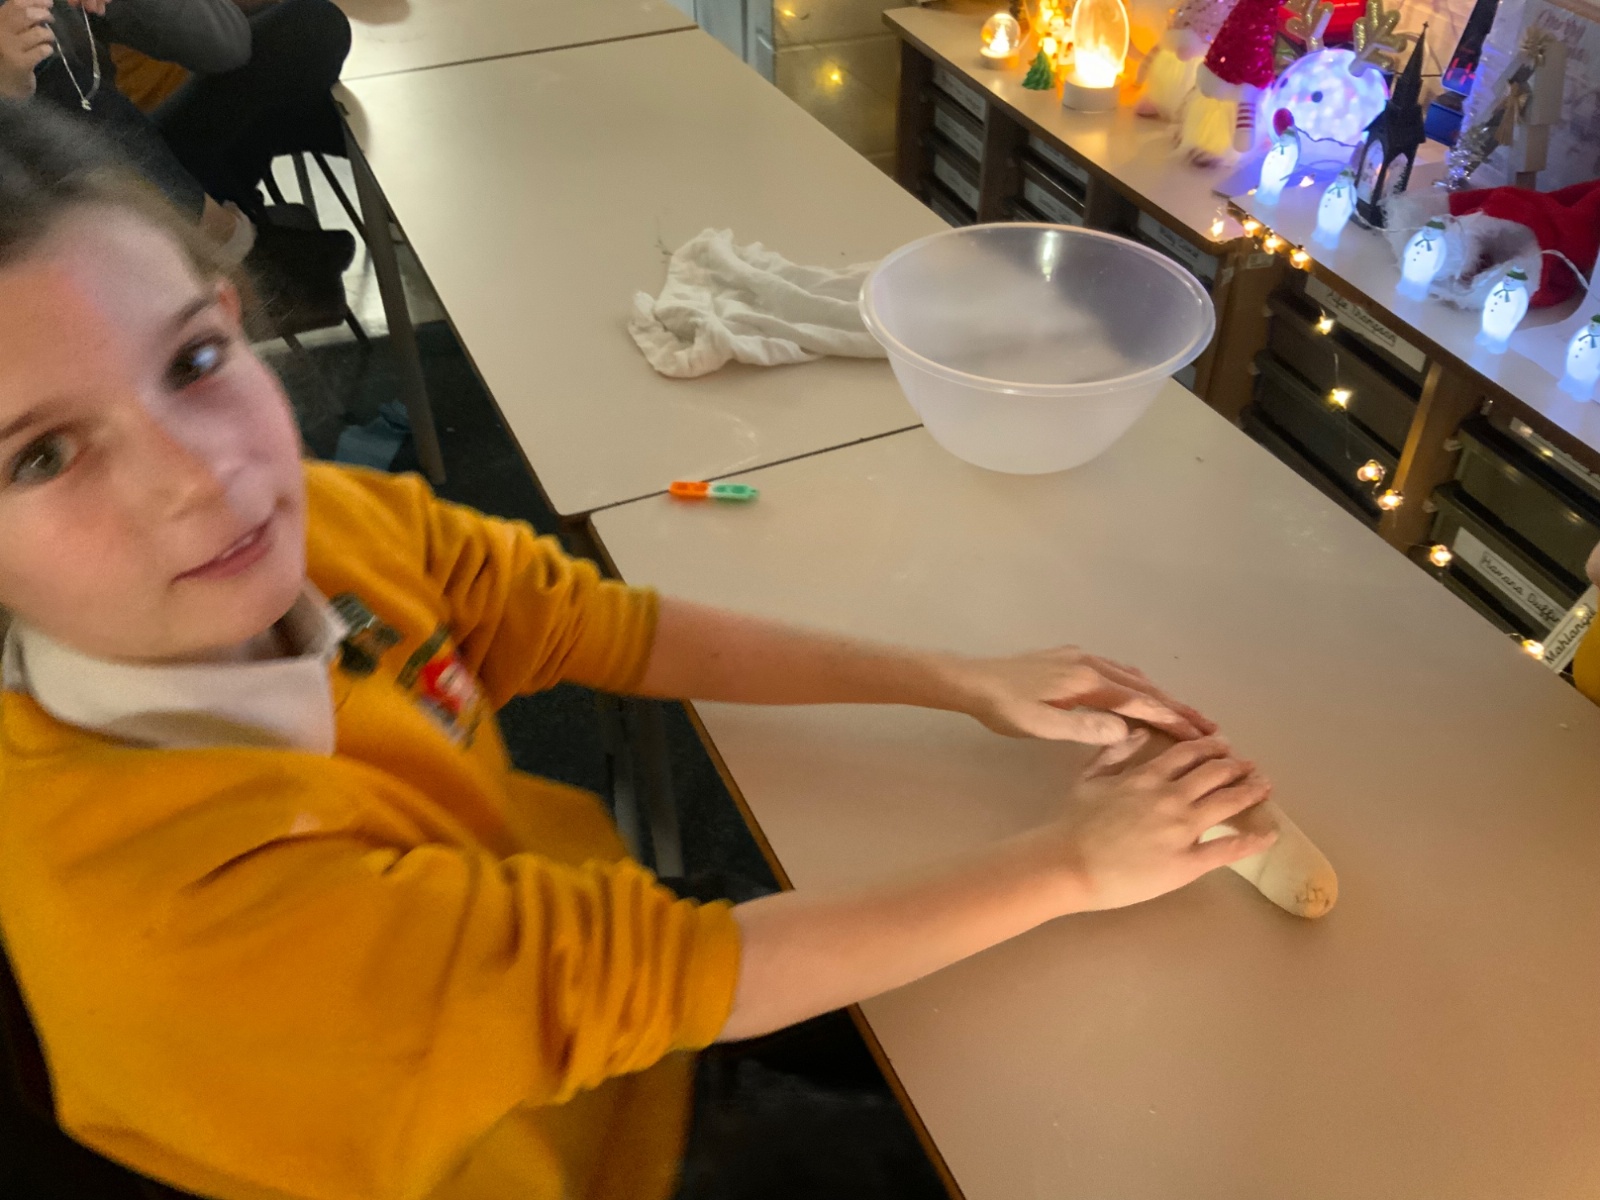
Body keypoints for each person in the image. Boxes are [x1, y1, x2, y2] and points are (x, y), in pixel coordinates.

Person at [0, 101, 1275, 1200]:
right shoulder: (163, 914)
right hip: (570, 1157)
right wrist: (1068, 861)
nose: (200, 477)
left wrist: (955, 679)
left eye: (193, 362)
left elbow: (591, 623)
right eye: (42, 456)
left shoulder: (323, 529)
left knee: (1017, 1026)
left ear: (231, 316)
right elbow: (664, 978)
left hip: (586, 968)